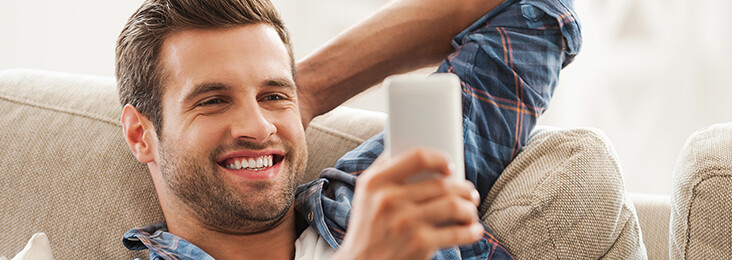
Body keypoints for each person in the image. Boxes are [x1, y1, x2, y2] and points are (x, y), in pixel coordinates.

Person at [116, 0, 580, 259]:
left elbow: (533, 10)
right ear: (141, 135)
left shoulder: (386, 194)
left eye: (273, 95)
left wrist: (310, 89)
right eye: (214, 100)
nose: (258, 127)